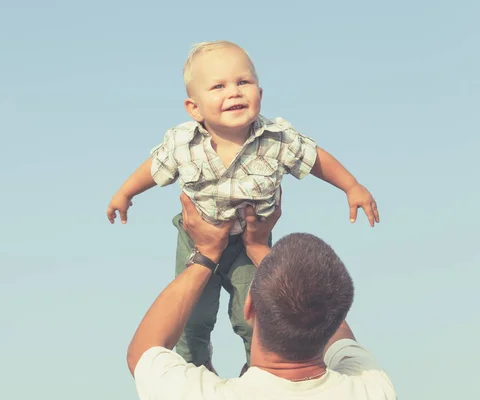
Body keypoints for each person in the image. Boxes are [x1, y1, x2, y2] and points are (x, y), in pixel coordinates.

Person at [108, 40, 380, 374]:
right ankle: (197, 364)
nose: (234, 92)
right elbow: (153, 168)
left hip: (250, 243)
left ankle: (259, 373)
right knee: (192, 314)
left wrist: (351, 186)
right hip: (197, 239)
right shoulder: (182, 143)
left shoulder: (277, 139)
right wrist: (125, 193)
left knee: (255, 314)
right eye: (218, 86)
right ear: (194, 108)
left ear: (260, 94)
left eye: (243, 82)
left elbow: (316, 159)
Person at [126, 193, 396, 400]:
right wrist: (258, 250)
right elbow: (333, 320)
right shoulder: (371, 389)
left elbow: (143, 352)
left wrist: (205, 255)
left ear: (250, 306)